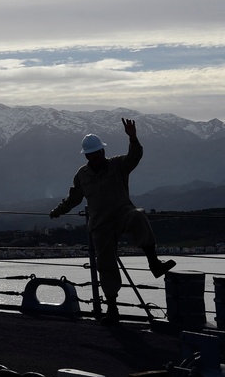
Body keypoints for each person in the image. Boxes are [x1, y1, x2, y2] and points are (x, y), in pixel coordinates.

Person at [49, 117, 175, 325]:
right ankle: (112, 308)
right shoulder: (82, 175)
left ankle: (154, 263)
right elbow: (74, 198)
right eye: (94, 153)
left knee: (138, 215)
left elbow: (135, 157)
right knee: (105, 264)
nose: (99, 155)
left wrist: (133, 138)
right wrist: (59, 210)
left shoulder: (118, 165)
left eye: (100, 152)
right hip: (101, 225)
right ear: (88, 156)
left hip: (122, 214)